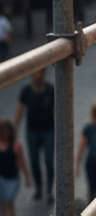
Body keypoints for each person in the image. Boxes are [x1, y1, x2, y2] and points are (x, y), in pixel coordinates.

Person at [14, 68, 55, 203]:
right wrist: (14, 130)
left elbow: (57, 110)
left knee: (49, 160)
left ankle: (49, 190)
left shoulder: (50, 90)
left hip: (49, 130)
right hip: (32, 132)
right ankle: (39, 187)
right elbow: (20, 110)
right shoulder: (26, 91)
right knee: (34, 161)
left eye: (39, 73)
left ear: (43, 74)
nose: (37, 76)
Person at [0, 117, 31, 216]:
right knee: (4, 206)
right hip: (1, 178)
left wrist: (27, 178)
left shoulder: (16, 145)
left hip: (12, 180)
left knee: (8, 205)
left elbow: (22, 162)